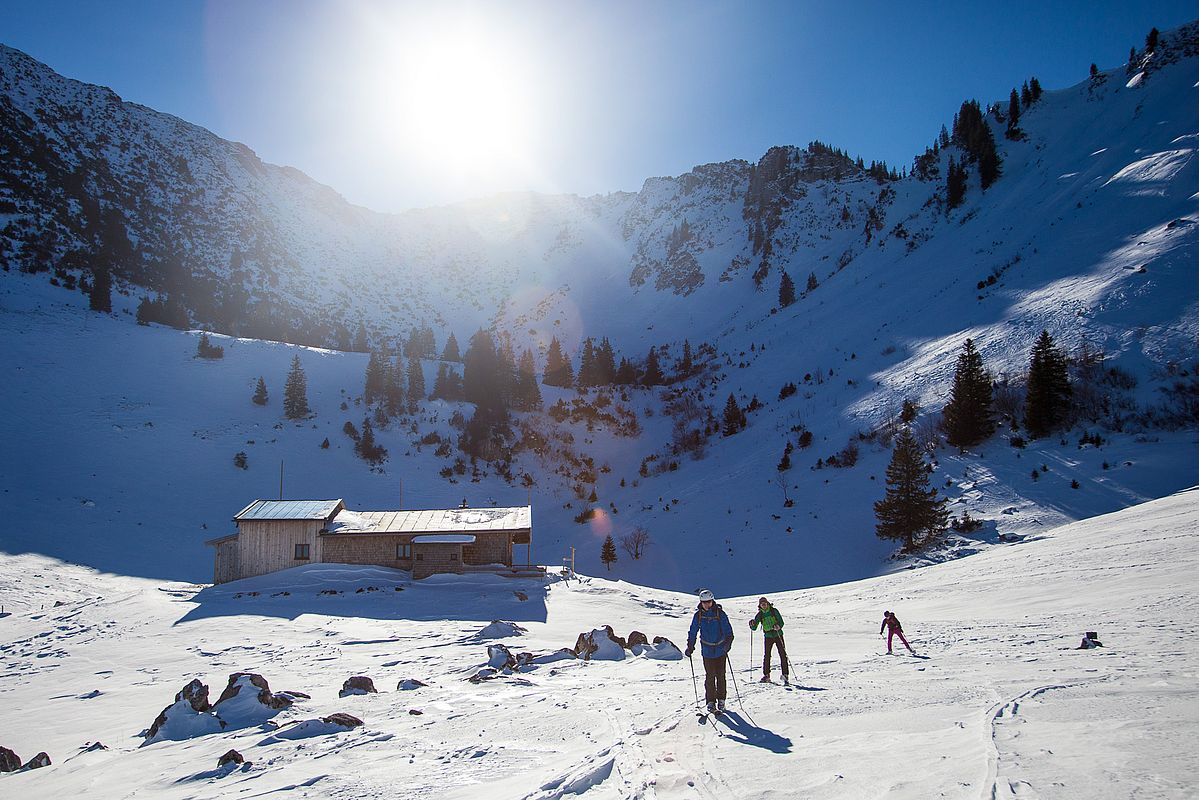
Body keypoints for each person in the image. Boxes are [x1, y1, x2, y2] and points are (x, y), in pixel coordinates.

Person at [685, 589, 734, 713]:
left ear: (712, 601)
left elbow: (729, 631)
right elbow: (693, 631)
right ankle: (710, 702)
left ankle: (721, 700)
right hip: (707, 651)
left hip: (720, 649)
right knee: (710, 676)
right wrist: (690, 645)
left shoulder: (720, 614)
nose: (707, 604)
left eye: (709, 602)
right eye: (704, 602)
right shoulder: (699, 615)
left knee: (721, 676)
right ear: (701, 602)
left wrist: (728, 644)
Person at [749, 596, 789, 682]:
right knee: (767, 656)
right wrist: (752, 625)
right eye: (762, 604)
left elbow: (781, 622)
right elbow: (754, 628)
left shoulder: (774, 611)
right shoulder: (760, 615)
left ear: (767, 603)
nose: (764, 605)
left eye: (765, 603)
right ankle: (766, 675)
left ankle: (785, 674)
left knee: (782, 654)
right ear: (760, 605)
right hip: (768, 636)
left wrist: (778, 626)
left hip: (778, 634)